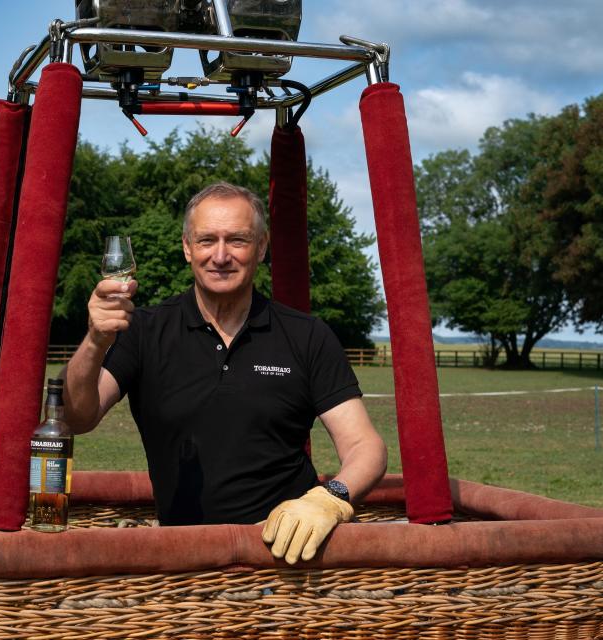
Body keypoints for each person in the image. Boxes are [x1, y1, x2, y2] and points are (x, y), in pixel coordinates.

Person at [62, 182, 387, 564]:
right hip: (183, 561)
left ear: (261, 248)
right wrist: (95, 341)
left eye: (237, 240)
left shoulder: (306, 335)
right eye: (206, 240)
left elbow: (366, 447)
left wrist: (330, 499)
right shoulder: (145, 331)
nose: (220, 255)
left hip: (289, 558)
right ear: (187, 248)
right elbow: (76, 417)